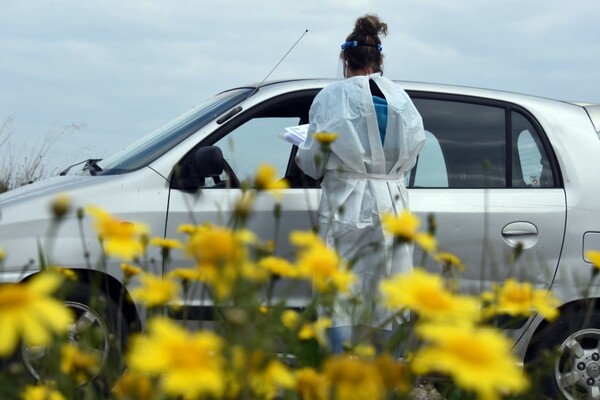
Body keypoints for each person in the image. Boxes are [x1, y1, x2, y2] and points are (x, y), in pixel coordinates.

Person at [295, 14, 425, 353]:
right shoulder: (401, 99)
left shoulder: (330, 97)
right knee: (390, 289)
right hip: (392, 204)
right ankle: (385, 374)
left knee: (338, 290)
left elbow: (313, 162)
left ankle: (341, 374)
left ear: (345, 59)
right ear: (379, 61)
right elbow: (412, 151)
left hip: (347, 203)